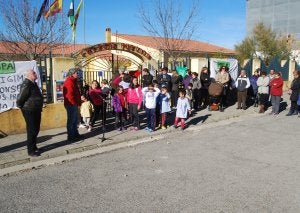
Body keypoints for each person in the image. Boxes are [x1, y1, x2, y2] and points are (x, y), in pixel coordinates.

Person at [16, 69, 43, 157]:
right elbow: (21, 97)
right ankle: (31, 151)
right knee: (32, 130)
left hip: (36, 109)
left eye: (35, 72)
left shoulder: (33, 83)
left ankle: (34, 147)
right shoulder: (26, 83)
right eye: (33, 73)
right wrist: (20, 106)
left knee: (36, 129)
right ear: (28, 75)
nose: (35, 74)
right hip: (29, 110)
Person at [63, 68, 83, 142]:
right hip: (71, 104)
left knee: (75, 121)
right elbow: (69, 95)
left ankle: (75, 134)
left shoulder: (73, 81)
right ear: (72, 74)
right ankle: (71, 137)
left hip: (74, 103)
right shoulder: (69, 81)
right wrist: (74, 103)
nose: (77, 74)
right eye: (76, 73)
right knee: (71, 121)